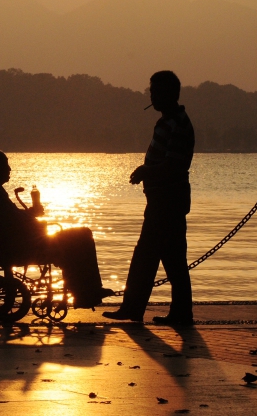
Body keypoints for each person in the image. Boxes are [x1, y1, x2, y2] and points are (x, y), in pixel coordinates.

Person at [104, 70, 195, 325]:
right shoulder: (168, 121)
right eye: (151, 92)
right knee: (169, 257)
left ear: (169, 94)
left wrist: (145, 171)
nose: (152, 96)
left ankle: (137, 308)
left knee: (153, 255)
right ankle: (174, 312)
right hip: (161, 200)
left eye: (155, 91)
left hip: (168, 201)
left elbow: (173, 165)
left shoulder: (177, 123)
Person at [0, 149, 114, 308]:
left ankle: (83, 290)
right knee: (82, 235)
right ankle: (87, 291)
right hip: (19, 247)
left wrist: (30, 214)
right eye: (5, 165)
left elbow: (9, 217)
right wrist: (34, 218)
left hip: (6, 245)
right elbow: (13, 221)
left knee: (73, 239)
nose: (9, 169)